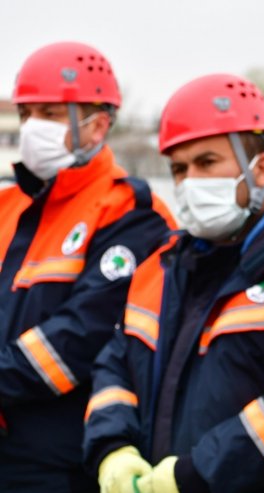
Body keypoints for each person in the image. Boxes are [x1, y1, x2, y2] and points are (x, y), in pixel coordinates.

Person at [83, 73, 264, 493]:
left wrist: (193, 476)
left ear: (261, 170)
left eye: (207, 163)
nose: (190, 181)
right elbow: (115, 363)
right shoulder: (160, 265)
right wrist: (113, 448)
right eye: (179, 168)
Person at [0, 41, 174, 492]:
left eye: (51, 114)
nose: (33, 126)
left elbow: (83, 333)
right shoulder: (8, 204)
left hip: (58, 461)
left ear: (96, 127)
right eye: (28, 113)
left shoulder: (131, 211)